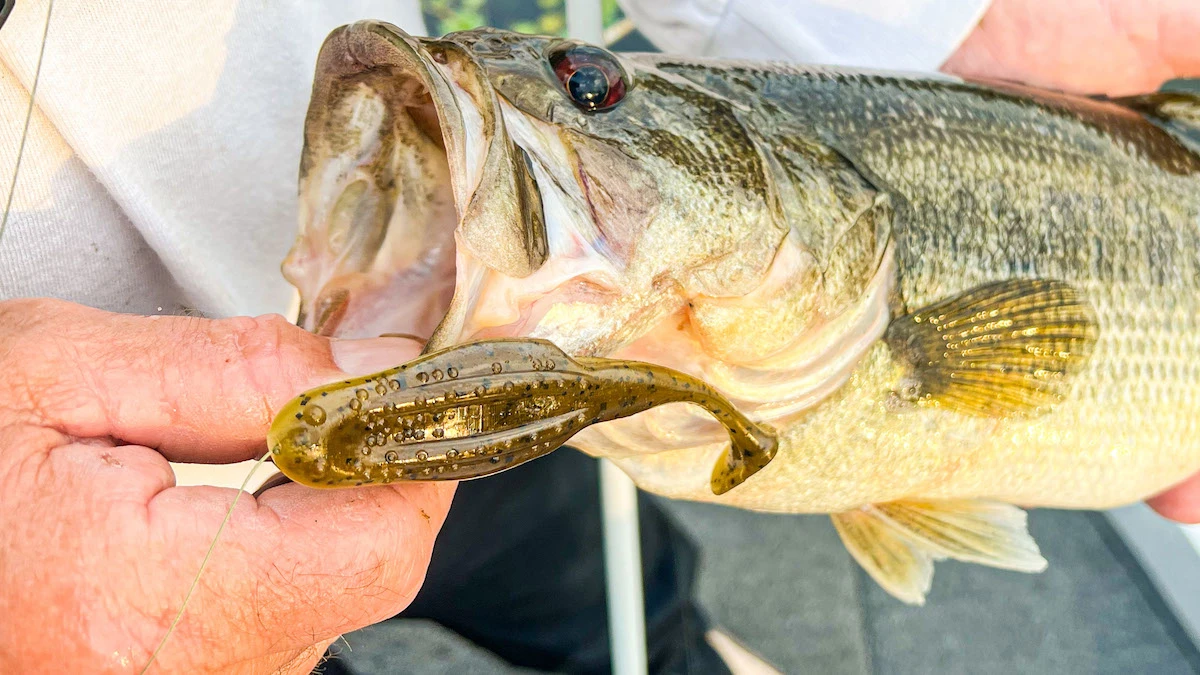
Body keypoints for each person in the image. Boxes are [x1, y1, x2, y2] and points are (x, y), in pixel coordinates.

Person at [1, 1, 1197, 673]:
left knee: (615, 603)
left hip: (512, 403)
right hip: (74, 544)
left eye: (589, 88)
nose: (574, 91)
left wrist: (944, 19)